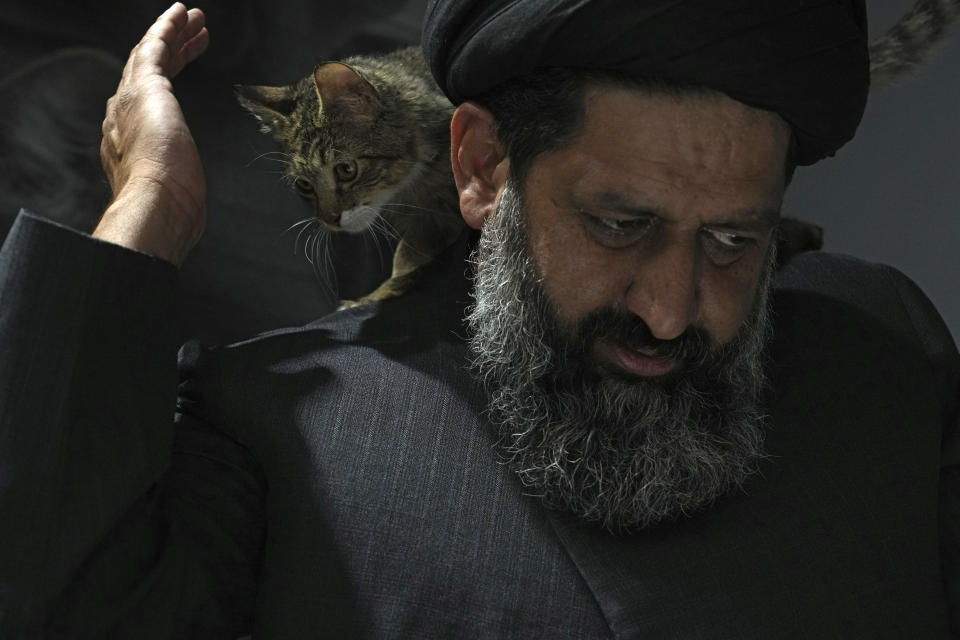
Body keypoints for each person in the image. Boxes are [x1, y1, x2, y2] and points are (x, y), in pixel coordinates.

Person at [0, 1, 957, 638]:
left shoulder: (879, 346)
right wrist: (147, 210)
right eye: (618, 226)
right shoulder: (268, 423)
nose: (670, 310)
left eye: (733, 243)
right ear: (482, 168)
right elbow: (46, 597)